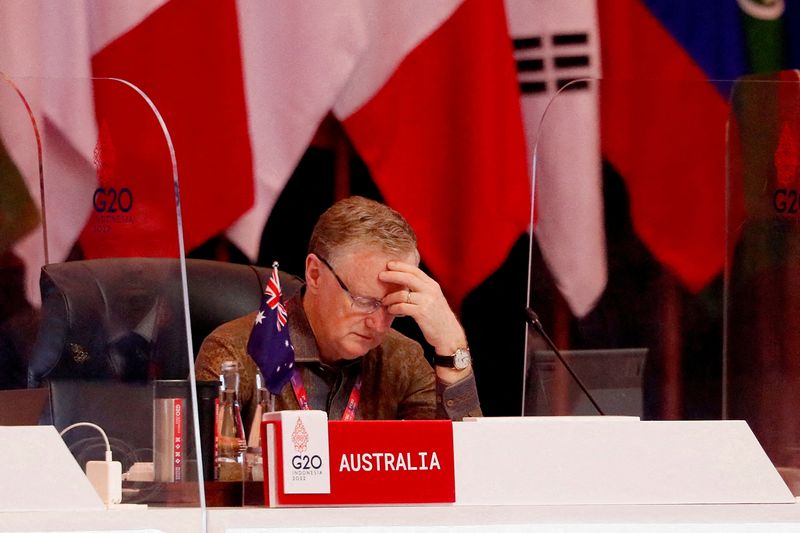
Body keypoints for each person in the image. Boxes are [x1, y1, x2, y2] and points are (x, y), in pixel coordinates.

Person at [195, 196, 481, 426]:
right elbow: (201, 476)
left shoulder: (402, 358)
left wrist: (451, 345)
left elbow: (464, 470)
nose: (379, 324)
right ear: (315, 274)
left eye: (392, 307)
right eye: (365, 301)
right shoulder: (236, 352)